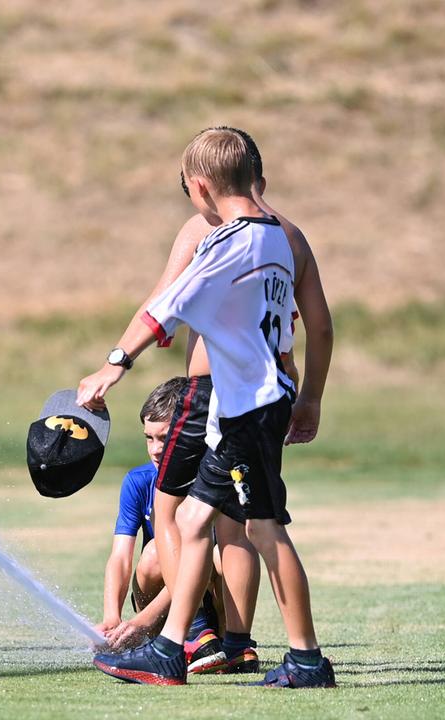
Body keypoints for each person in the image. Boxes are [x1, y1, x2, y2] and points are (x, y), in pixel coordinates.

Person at [81, 127, 335, 688]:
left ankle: (307, 659)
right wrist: (310, 395)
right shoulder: (279, 236)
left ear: (199, 187)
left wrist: (113, 364)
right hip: (254, 403)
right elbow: (313, 324)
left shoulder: (229, 241)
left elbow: (164, 309)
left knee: (265, 529)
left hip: (247, 408)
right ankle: (172, 649)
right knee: (196, 519)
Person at [96, 378, 226, 671]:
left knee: (218, 556)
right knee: (155, 553)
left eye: (164, 438)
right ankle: (175, 639)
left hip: (211, 602)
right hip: (157, 610)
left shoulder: (211, 480)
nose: (155, 449)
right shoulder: (138, 481)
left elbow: (201, 567)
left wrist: (139, 621)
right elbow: (120, 557)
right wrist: (112, 617)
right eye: (148, 438)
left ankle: (224, 644)